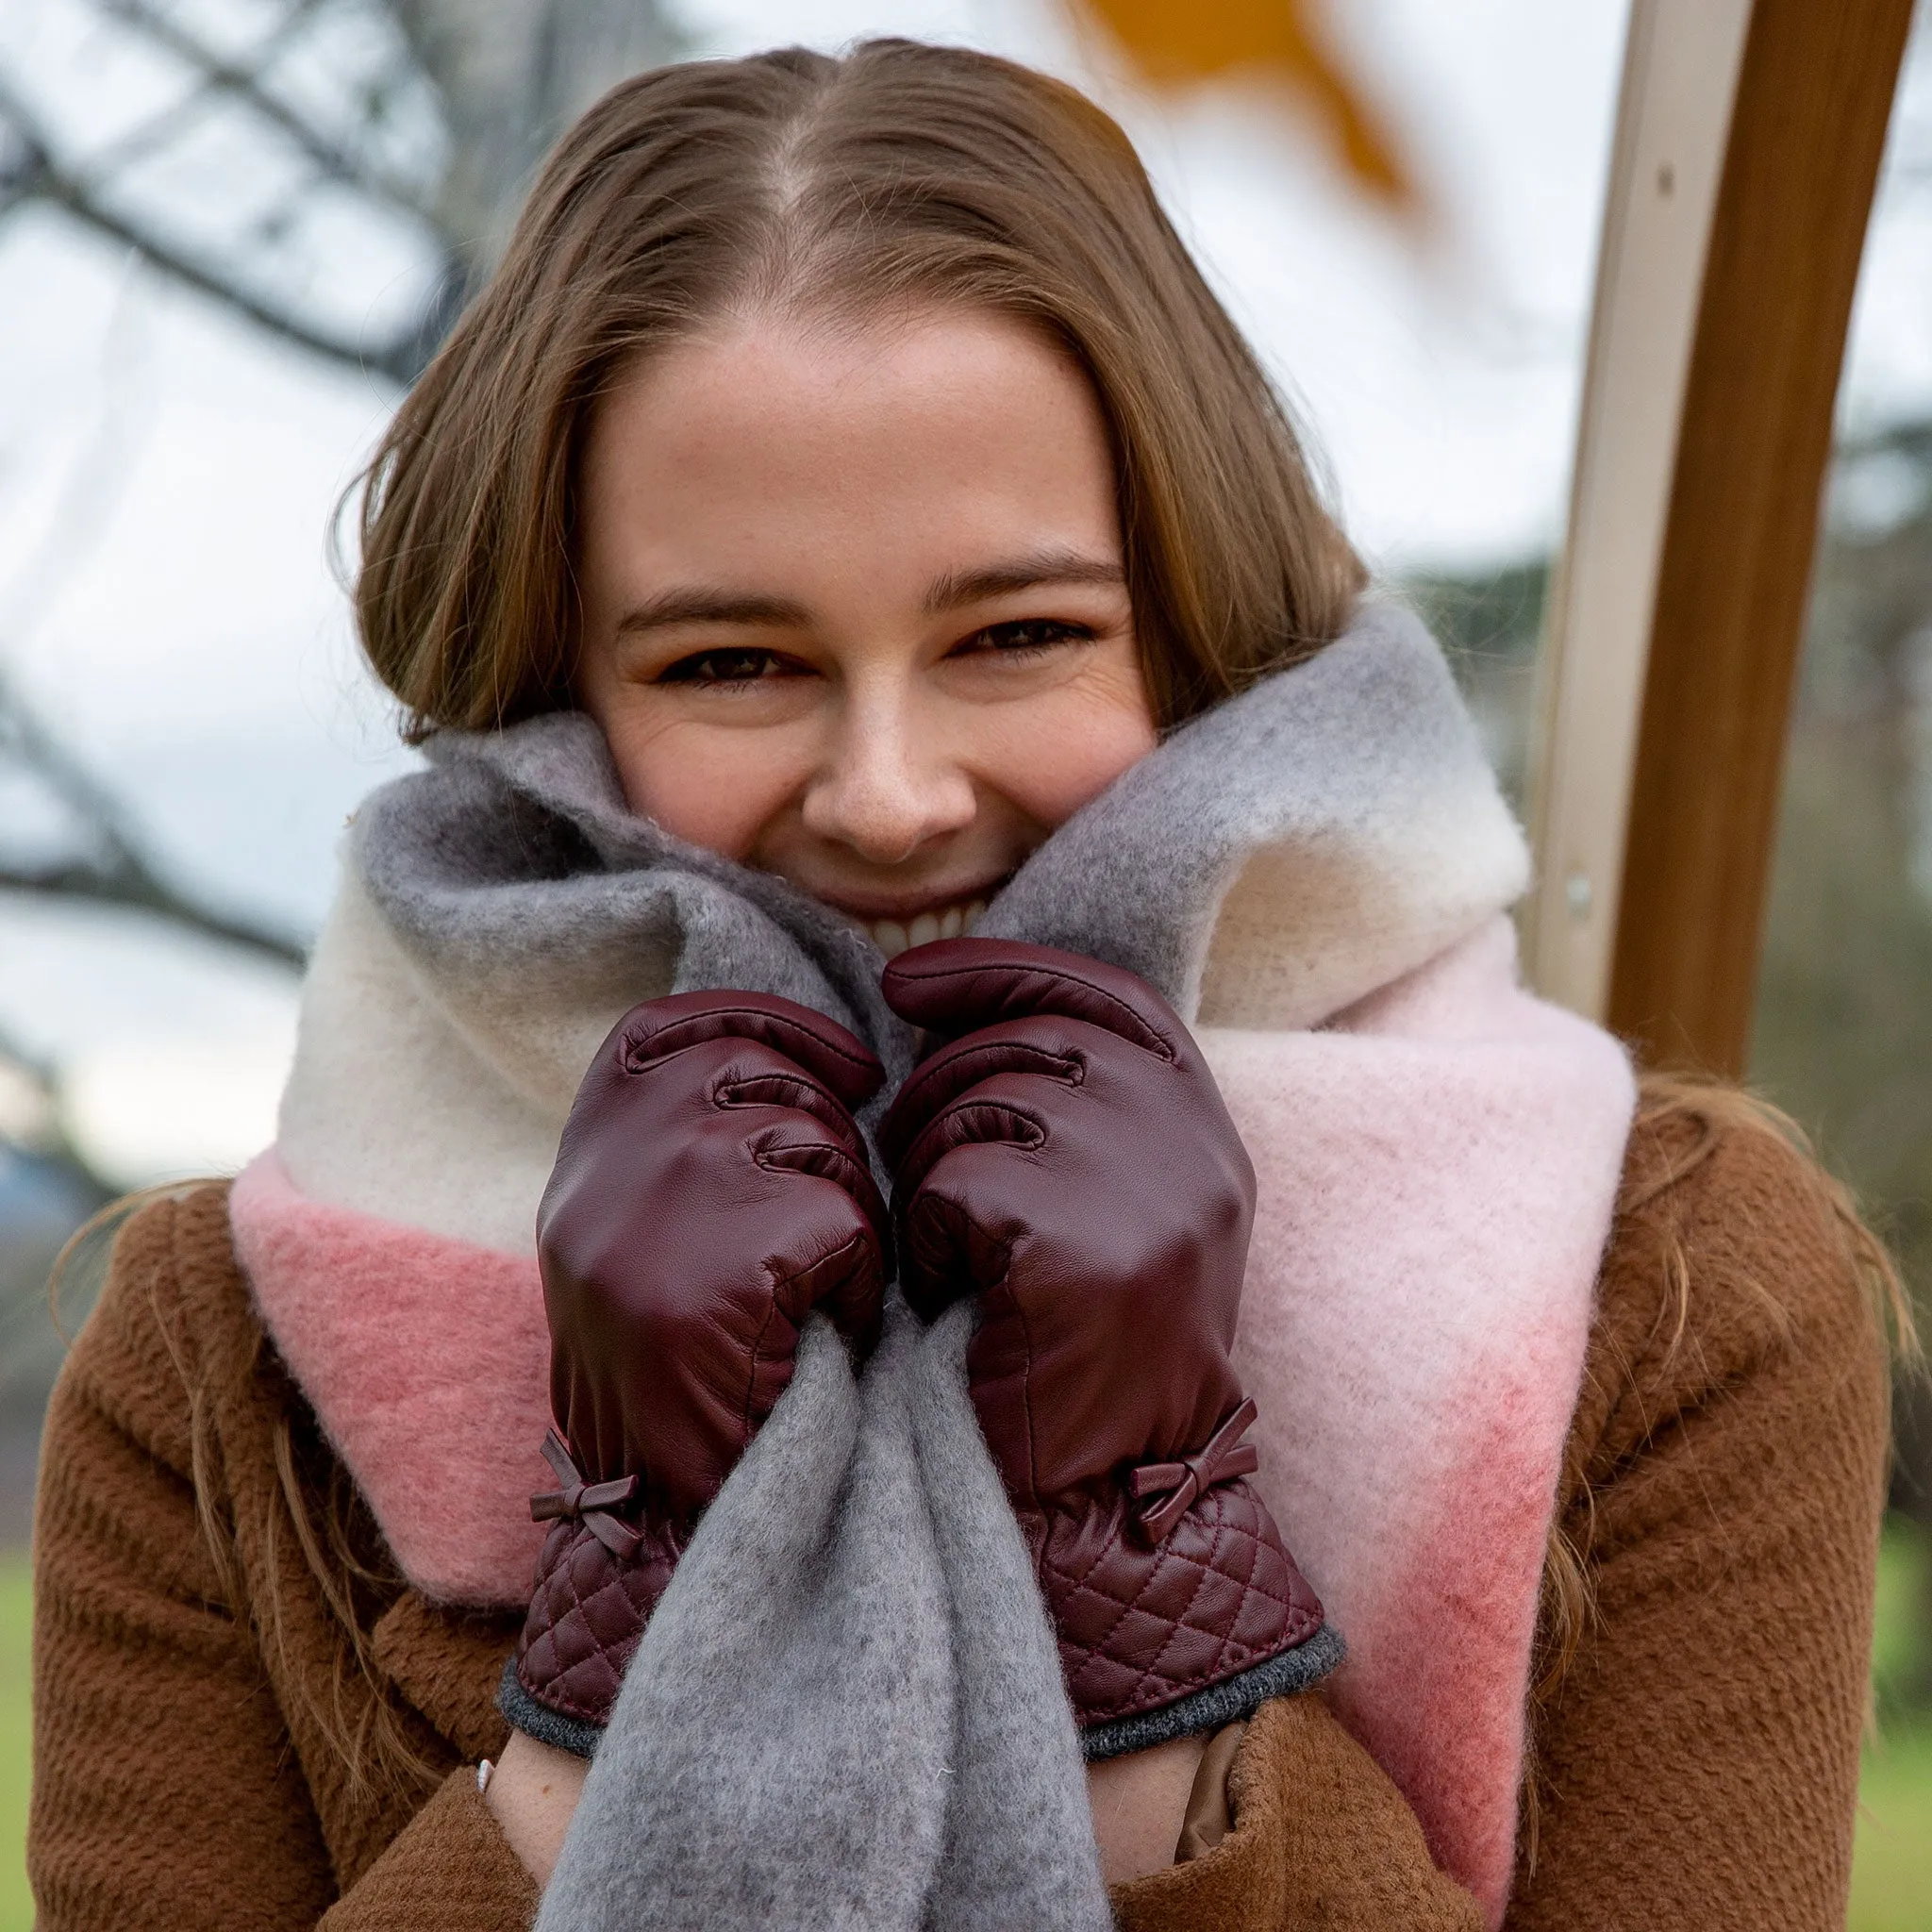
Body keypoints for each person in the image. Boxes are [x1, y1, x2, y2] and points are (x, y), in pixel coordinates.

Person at [28, 39, 1902, 1932]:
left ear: (1197, 625)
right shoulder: (223, 1365)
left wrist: (1145, 1577)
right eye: (732, 663)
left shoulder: (1672, 1283)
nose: (892, 795)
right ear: (552, 689)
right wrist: (628, 1608)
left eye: (1018, 633)